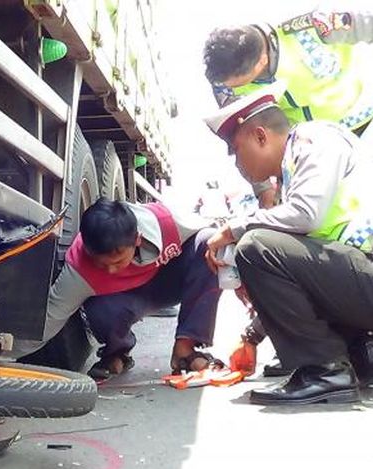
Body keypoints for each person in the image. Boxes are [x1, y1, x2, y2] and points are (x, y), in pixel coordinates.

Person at [203, 82, 373, 405]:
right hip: (361, 276)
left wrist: (234, 229)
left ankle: (324, 370)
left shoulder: (314, 140)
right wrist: (252, 333)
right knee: (263, 247)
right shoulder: (293, 166)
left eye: (236, 151)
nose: (238, 166)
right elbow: (307, 268)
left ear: (260, 136)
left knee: (255, 246)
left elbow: (306, 215)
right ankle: (358, 356)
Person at [203, 9, 373, 210]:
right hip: (312, 150)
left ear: (262, 62)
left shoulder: (308, 27)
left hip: (363, 119)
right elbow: (244, 137)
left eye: (239, 84)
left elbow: (367, 24)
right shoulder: (224, 84)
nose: (232, 89)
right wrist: (263, 187)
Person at [44, 198, 221, 380]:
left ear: (137, 239)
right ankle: (117, 352)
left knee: (209, 243)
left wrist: (242, 282)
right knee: (100, 311)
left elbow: (220, 236)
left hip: (166, 283)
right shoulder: (79, 268)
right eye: (102, 264)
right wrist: (14, 354)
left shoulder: (166, 222)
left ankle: (185, 350)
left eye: (118, 261)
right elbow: (50, 317)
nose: (111, 270)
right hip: (125, 298)